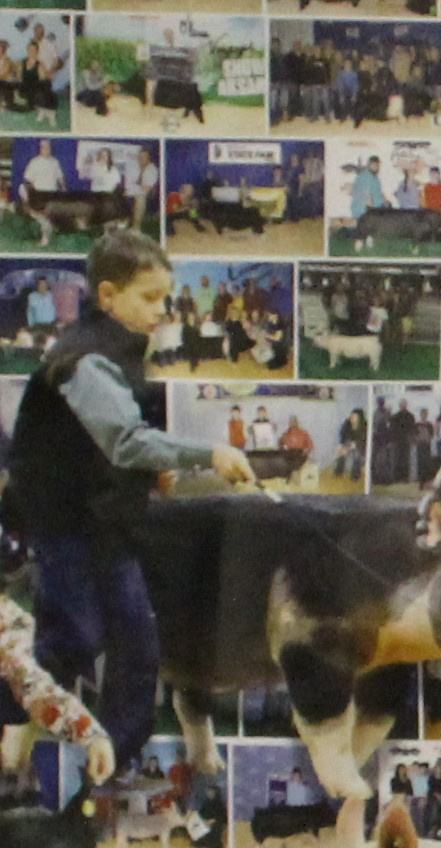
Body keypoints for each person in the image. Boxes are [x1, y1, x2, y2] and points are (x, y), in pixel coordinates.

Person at [0, 229, 254, 783]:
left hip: (107, 522)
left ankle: (114, 759)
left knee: (138, 643)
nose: (162, 311)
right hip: (65, 525)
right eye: (150, 298)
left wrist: (150, 470)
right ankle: (9, 708)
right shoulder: (84, 359)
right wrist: (207, 452)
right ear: (108, 295)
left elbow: (105, 440)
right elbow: (123, 440)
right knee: (79, 636)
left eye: (165, 298)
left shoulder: (116, 348)